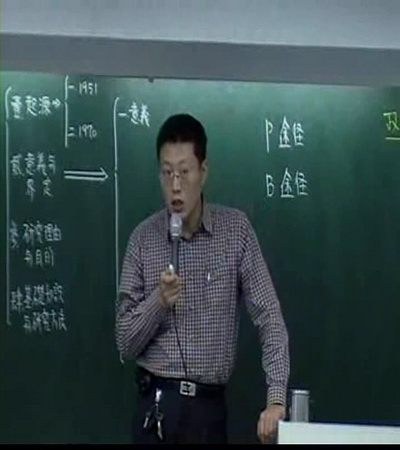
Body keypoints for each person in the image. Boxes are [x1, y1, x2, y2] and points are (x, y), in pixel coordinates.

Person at [115, 113, 290, 444]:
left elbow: (269, 317)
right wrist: (158, 301)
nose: (175, 186)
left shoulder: (235, 231)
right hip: (156, 406)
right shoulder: (143, 239)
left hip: (208, 410)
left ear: (203, 171)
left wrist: (276, 398)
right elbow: (125, 342)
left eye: (184, 172)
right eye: (167, 173)